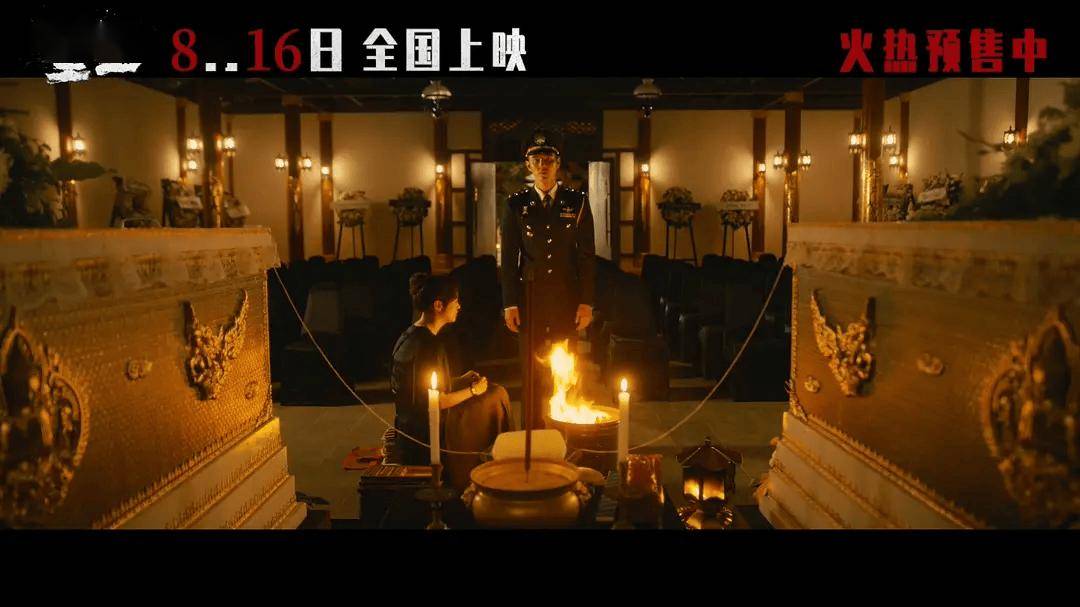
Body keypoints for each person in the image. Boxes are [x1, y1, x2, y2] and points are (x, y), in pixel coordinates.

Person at [499, 129, 596, 430]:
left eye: (549, 159)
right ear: (528, 164)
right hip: (530, 299)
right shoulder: (516, 205)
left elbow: (587, 257)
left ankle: (565, 432)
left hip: (566, 298)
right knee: (530, 371)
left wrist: (586, 302)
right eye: (537, 159)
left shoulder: (577, 202)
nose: (543, 165)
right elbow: (508, 260)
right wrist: (510, 303)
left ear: (558, 163)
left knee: (566, 367)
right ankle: (532, 433)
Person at [390, 272, 511, 489]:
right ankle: (493, 468)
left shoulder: (408, 336)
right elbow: (438, 401)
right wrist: (473, 391)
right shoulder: (430, 347)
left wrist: (461, 380)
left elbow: (421, 387)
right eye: (455, 302)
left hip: (407, 424)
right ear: (439, 305)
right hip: (429, 429)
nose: (459, 307)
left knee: (492, 393)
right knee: (496, 397)